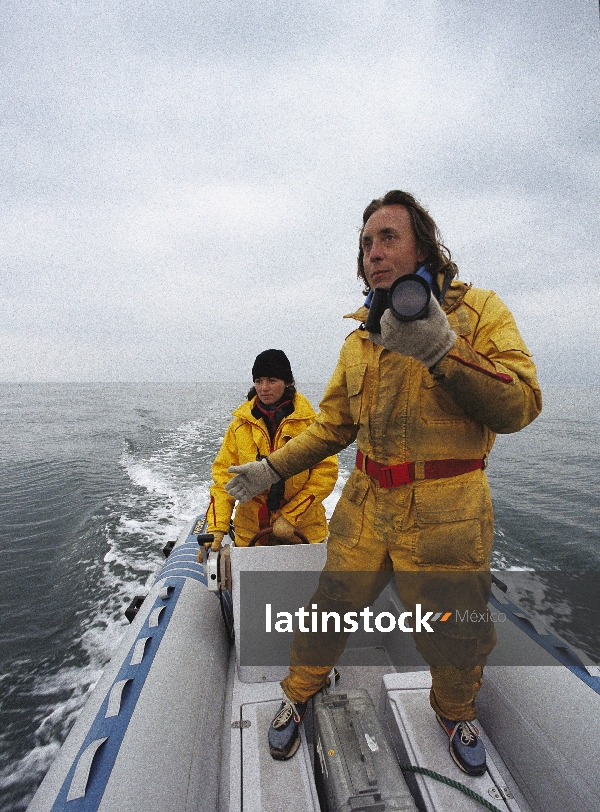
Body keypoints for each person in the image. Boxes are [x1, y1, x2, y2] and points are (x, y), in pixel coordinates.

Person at [226, 191, 542, 773]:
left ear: (422, 243)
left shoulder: (478, 313)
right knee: (329, 609)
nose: (374, 252)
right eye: (366, 243)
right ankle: (298, 692)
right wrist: (270, 468)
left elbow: (520, 405)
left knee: (454, 632)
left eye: (388, 237)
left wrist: (444, 349)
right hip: (367, 503)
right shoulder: (358, 341)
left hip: (449, 510)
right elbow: (331, 430)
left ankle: (453, 710)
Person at [205, 349, 338, 550]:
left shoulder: (312, 424)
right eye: (258, 381)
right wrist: (216, 527)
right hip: (252, 533)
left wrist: (290, 517)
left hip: (304, 530)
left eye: (271, 380)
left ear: (287, 382)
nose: (264, 388)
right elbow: (224, 479)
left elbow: (325, 475)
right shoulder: (238, 426)